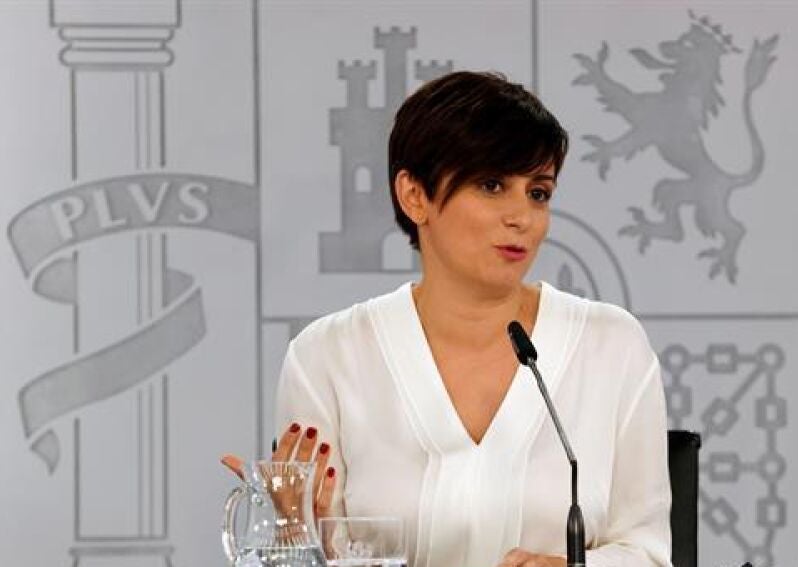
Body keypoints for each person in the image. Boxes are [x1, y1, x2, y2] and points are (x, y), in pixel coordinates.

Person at [224, 71, 672, 567]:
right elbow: (318, 555)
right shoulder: (327, 357)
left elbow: (648, 553)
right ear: (415, 195)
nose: (522, 217)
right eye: (492, 185)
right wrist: (295, 532)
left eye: (538, 192)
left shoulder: (612, 346)